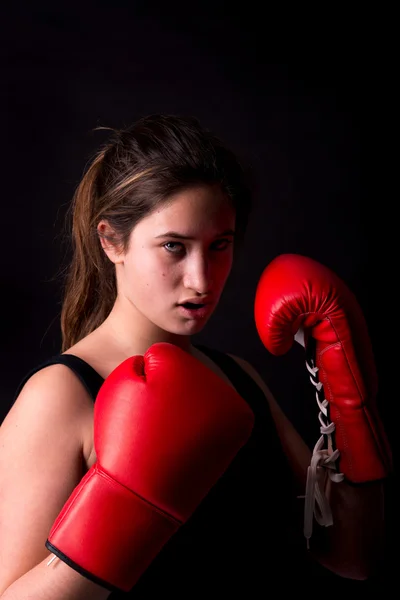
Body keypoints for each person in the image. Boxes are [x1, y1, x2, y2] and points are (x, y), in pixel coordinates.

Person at [0, 114, 392, 599]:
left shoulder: (237, 378)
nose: (202, 280)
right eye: (173, 247)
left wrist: (351, 402)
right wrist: (120, 513)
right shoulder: (60, 395)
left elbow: (353, 557)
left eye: (219, 246)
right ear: (111, 241)